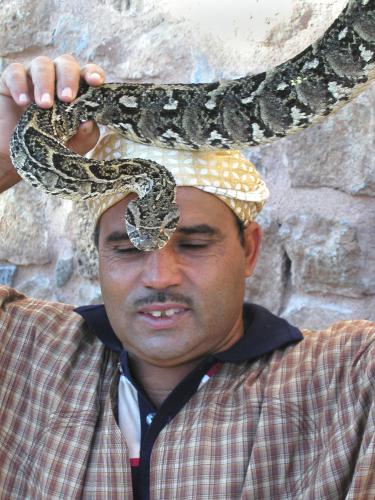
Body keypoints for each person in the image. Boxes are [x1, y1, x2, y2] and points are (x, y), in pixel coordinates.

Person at [0, 54, 374, 499]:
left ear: (249, 250)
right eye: (128, 248)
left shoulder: (348, 376)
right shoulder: (25, 349)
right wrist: (9, 158)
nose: (160, 275)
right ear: (96, 254)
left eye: (194, 244)